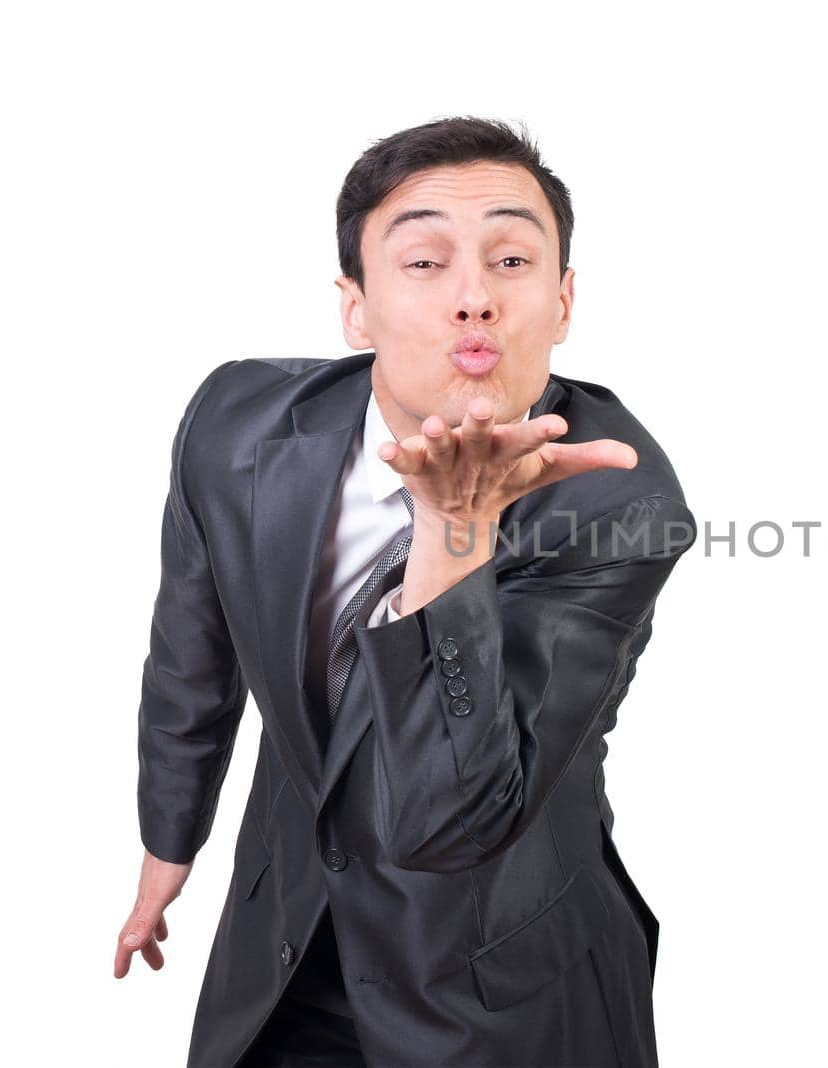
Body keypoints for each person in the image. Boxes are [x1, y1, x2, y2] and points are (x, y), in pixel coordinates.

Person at [111, 116, 695, 1068]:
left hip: (497, 981)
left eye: (511, 261)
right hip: (287, 948)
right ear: (356, 307)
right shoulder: (239, 421)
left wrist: (452, 533)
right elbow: (194, 644)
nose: (475, 299)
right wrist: (168, 844)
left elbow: (449, 818)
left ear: (564, 299)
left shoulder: (620, 497)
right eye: (425, 262)